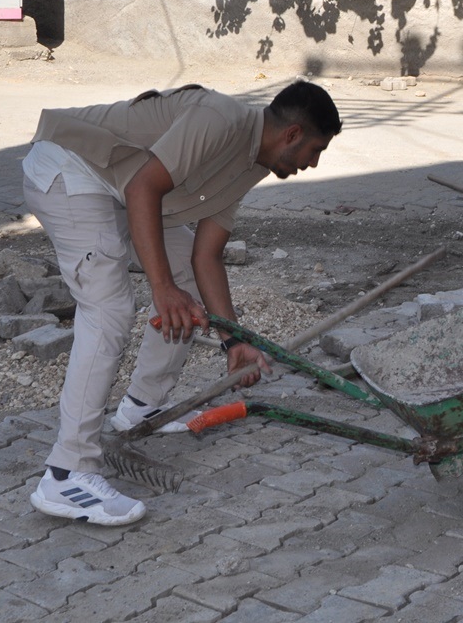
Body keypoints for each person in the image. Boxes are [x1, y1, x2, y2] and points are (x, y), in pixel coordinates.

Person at [22, 80, 341, 525]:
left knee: (185, 277)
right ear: (292, 135)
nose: (313, 163)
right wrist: (161, 287)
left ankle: (140, 405)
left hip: (119, 186)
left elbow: (205, 256)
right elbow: (142, 190)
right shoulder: (221, 120)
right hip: (72, 166)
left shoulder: (253, 163)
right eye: (315, 150)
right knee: (109, 309)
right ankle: (66, 473)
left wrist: (234, 341)